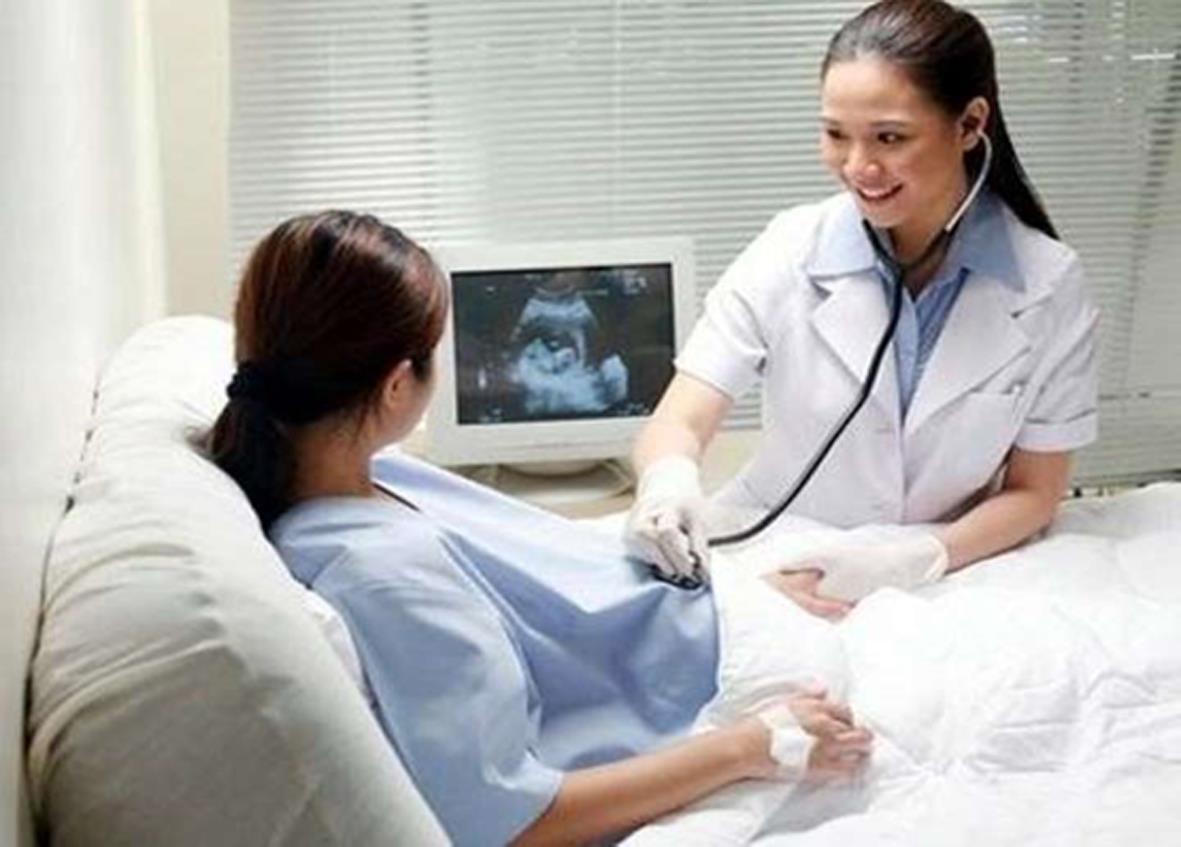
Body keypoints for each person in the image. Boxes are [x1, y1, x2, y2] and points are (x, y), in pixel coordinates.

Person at [205, 210, 873, 847]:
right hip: (721, 690)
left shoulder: (365, 473)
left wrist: (718, 594)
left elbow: (539, 592)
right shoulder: (382, 575)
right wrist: (751, 746)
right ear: (396, 386)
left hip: (705, 623)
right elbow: (511, 821)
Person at [624, 0, 1099, 615]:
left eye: (890, 138)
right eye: (835, 135)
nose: (858, 167)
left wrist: (917, 559)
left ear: (969, 124)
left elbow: (1036, 492)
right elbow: (680, 420)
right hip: (778, 546)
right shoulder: (789, 249)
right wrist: (667, 485)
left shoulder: (1048, 284)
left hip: (951, 566)